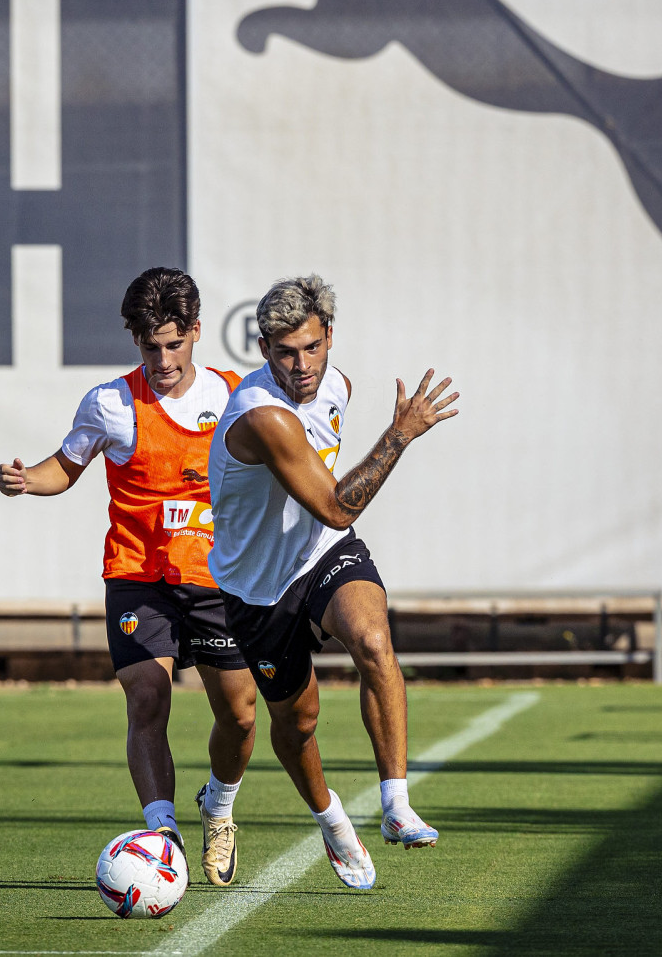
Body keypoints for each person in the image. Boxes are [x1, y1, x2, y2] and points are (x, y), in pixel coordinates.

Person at [0, 267, 257, 887]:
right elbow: (65, 466)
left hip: (217, 577)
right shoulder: (109, 403)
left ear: (196, 332)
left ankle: (218, 807)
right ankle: (162, 836)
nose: (162, 361)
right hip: (138, 573)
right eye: (149, 346)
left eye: (173, 344)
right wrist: (27, 479)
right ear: (134, 340)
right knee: (147, 696)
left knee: (241, 715)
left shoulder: (235, 396)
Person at [207, 274, 457, 891]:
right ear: (263, 351)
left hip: (322, 552)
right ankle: (332, 820)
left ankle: (396, 805)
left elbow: (331, 520)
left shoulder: (337, 385)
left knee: (373, 640)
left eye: (312, 348)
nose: (302, 366)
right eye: (286, 353)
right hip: (258, 588)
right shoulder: (263, 415)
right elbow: (339, 506)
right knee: (298, 724)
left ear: (329, 338)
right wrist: (400, 434)